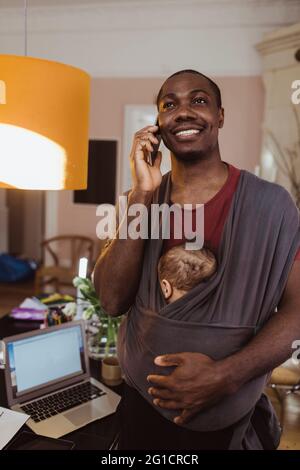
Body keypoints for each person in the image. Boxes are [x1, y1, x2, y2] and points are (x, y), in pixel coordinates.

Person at [94, 69, 300, 450]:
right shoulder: (139, 201)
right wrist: (142, 193)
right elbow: (111, 299)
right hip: (141, 413)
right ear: (158, 125)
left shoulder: (271, 206)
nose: (183, 111)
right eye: (169, 105)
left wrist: (226, 376)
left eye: (199, 100)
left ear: (220, 115)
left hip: (226, 422)